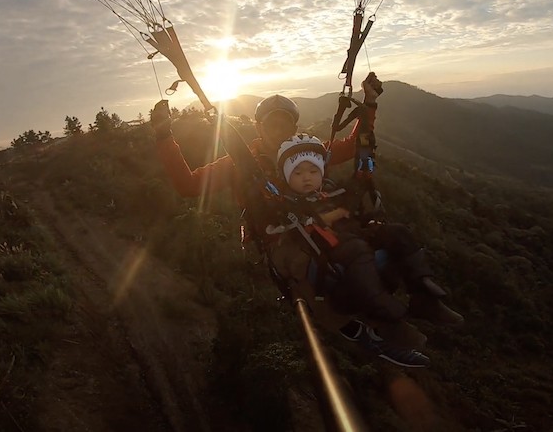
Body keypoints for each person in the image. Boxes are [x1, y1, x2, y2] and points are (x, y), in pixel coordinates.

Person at [152, 74, 451, 367]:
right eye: (272, 124)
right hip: (278, 236)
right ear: (259, 127)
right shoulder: (243, 161)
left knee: (381, 240)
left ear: (294, 126)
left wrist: (369, 104)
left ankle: (421, 297)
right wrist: (165, 137)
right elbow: (189, 186)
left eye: (285, 123)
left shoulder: (302, 152)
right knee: (319, 271)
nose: (278, 130)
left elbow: (353, 145)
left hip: (322, 223)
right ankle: (368, 332)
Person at [270, 134, 464, 343]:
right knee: (358, 249)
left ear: (322, 172)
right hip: (330, 246)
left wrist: (363, 155)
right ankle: (387, 318)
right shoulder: (289, 203)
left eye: (312, 171)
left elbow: (356, 189)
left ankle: (424, 297)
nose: (306, 177)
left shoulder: (332, 189)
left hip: (355, 233)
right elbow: (294, 225)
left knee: (397, 233)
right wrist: (333, 215)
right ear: (287, 178)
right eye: (297, 173)